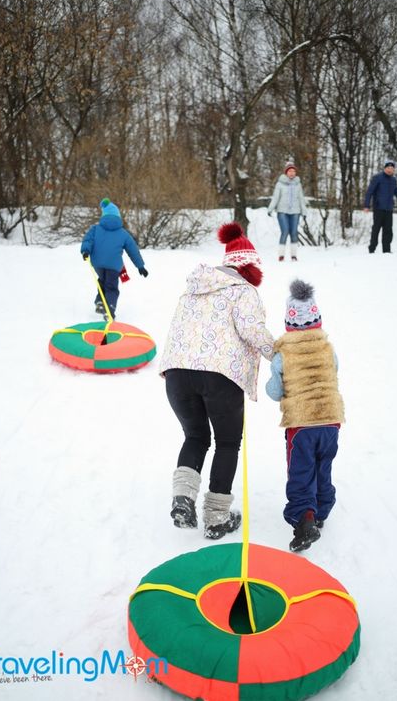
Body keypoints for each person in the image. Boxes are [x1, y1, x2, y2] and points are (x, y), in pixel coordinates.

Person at [160, 222, 274, 540]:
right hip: (219, 377)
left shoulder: (193, 289)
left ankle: (183, 499)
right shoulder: (244, 292)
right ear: (248, 267)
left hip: (177, 375)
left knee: (195, 437)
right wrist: (280, 355)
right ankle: (216, 517)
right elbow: (252, 330)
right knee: (226, 443)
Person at [266, 279, 345, 553]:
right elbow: (333, 374)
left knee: (301, 471)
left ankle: (304, 520)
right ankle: (321, 510)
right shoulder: (328, 349)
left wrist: (271, 383)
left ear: (288, 324)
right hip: (331, 421)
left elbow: (275, 392)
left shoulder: (282, 355)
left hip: (301, 425)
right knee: (323, 467)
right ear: (317, 320)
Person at [80, 198, 148, 320]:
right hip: (114, 265)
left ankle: (100, 302)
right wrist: (140, 266)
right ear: (118, 217)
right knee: (111, 286)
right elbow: (133, 250)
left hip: (98, 263)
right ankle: (110, 309)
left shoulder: (95, 229)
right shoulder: (123, 233)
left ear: (104, 215)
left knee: (102, 280)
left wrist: (85, 251)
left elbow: (88, 240)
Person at [364, 160, 397, 254]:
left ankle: (386, 250)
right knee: (376, 229)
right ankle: (372, 249)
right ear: (384, 168)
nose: (390, 170)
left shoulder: (393, 180)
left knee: (388, 231)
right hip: (378, 208)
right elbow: (369, 192)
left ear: (394, 170)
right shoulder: (377, 178)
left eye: (392, 169)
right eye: (388, 168)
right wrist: (366, 205)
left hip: (389, 209)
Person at [267, 161, 307, 262]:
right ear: (286, 172)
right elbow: (276, 197)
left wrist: (304, 211)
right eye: (290, 171)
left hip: (295, 212)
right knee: (285, 231)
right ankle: (281, 255)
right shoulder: (280, 184)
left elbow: (301, 198)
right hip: (282, 212)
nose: (292, 173)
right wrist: (270, 209)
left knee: (293, 233)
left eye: (293, 171)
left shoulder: (298, 184)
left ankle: (293, 255)